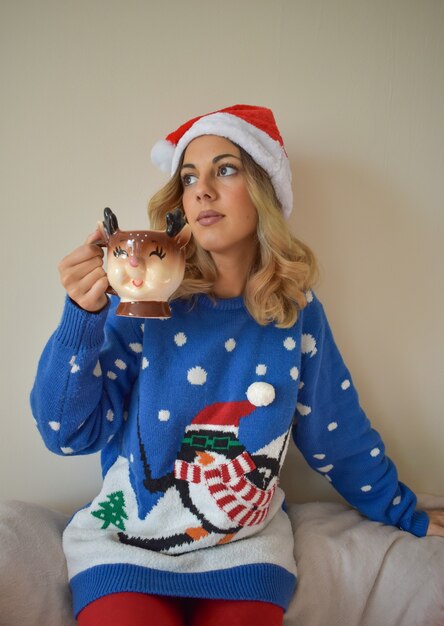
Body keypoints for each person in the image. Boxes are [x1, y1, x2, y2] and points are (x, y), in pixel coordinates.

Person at [30, 104, 444, 626]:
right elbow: (66, 433)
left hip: (245, 552)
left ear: (265, 192)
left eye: (225, 169)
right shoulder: (143, 303)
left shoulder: (296, 313)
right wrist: (81, 319)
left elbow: (337, 435)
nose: (202, 189)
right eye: (188, 177)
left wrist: (403, 510)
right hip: (125, 545)